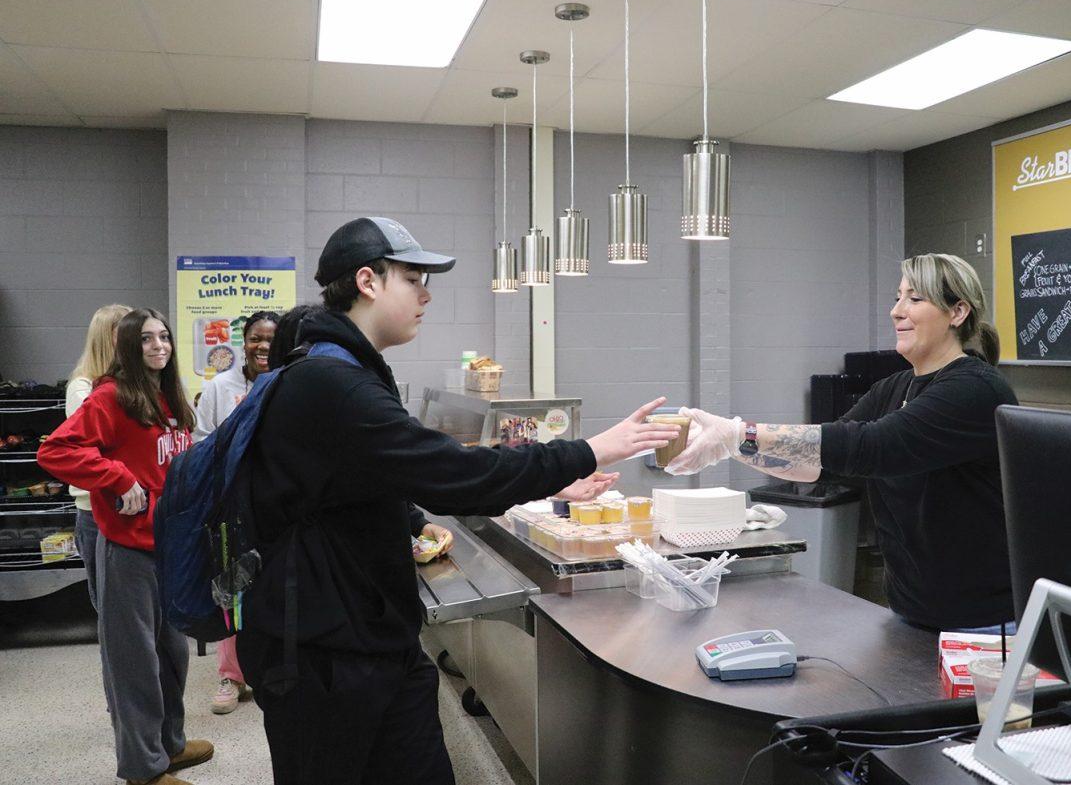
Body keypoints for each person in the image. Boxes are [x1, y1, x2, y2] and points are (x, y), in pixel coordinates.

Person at [235, 217, 676, 785]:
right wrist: (589, 450)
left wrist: (547, 481)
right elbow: (455, 474)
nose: (426, 294)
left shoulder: (346, 369)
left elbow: (390, 467)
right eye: (413, 278)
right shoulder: (329, 381)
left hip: (372, 635)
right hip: (321, 652)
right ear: (368, 281)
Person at [667, 253, 1019, 633]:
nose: (897, 311)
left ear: (958, 311)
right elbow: (821, 463)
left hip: (982, 625)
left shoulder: (973, 389)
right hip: (912, 613)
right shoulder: (893, 388)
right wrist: (734, 447)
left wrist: (741, 432)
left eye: (915, 299)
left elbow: (873, 446)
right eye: (897, 297)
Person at [39, 308, 213, 785]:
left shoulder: (169, 396)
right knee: (133, 662)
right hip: (126, 549)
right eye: (146, 340)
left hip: (170, 548)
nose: (159, 346)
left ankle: (169, 746)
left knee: (173, 655)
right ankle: (143, 768)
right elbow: (54, 450)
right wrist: (116, 477)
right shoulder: (110, 396)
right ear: (127, 347)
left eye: (164, 337)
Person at [193, 310, 279, 715]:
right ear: (242, 342)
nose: (263, 346)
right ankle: (231, 676)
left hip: (276, 504)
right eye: (255, 338)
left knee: (273, 585)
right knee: (232, 588)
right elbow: (201, 441)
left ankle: (268, 667)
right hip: (230, 505)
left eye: (270, 339)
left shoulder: (287, 382)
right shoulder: (219, 388)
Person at [65, 303, 132, 611]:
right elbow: (97, 450)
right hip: (97, 511)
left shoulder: (135, 386)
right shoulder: (83, 389)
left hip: (136, 508)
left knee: (137, 607)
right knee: (111, 609)